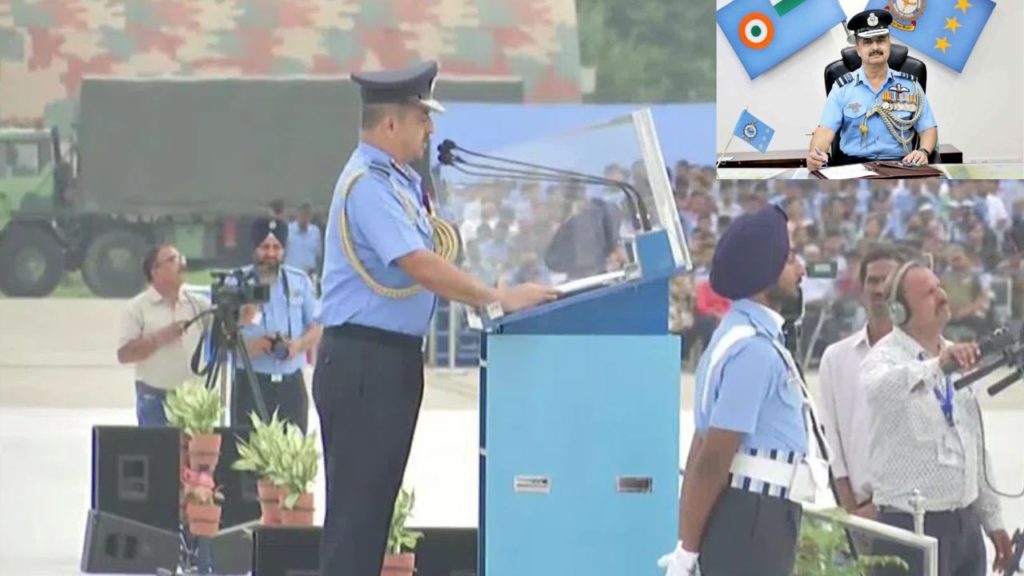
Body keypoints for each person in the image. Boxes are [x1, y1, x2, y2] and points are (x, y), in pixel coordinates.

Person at [313, 60, 557, 576]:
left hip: (389, 361)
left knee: (371, 516)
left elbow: (434, 252)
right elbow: (417, 262)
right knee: (355, 523)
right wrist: (494, 297)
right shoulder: (369, 185)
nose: (431, 129)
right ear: (391, 124)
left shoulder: (399, 181)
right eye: (423, 118)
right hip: (363, 362)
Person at [659, 205, 831, 576]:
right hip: (753, 518)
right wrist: (688, 549)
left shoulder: (738, 337)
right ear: (764, 272)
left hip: (756, 515)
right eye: (789, 261)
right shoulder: (752, 349)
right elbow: (713, 458)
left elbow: (702, 448)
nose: (801, 270)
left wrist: (686, 546)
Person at [861, 259, 1012, 576]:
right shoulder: (884, 357)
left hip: (965, 528)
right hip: (910, 528)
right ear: (901, 312)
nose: (941, 295)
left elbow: (974, 448)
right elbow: (878, 391)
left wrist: (994, 522)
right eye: (929, 293)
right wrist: (937, 367)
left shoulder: (957, 354)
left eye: (939, 287)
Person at [817, 244, 904, 519]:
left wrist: (879, 508)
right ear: (862, 289)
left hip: (907, 507)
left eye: (888, 281)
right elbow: (831, 439)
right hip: (854, 506)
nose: (879, 289)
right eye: (873, 281)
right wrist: (850, 511)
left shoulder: (923, 357)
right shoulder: (836, 358)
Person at [807, 9, 937, 171]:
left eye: (881, 40)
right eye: (867, 42)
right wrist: (815, 155)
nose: (875, 47)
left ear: (889, 43)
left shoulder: (911, 86)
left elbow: (927, 128)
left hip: (900, 165)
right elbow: (825, 131)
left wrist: (923, 151)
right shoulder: (842, 88)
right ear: (858, 49)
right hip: (852, 167)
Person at [235, 217, 321, 432]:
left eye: (277, 247)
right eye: (265, 247)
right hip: (251, 383)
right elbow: (221, 336)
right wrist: (253, 345)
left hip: (290, 384)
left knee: (292, 455)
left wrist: (298, 346)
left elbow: (318, 325)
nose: (271, 253)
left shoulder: (298, 281)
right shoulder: (236, 283)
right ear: (255, 249)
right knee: (247, 455)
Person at [117, 243, 210, 426]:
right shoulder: (137, 307)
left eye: (180, 258)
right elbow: (124, 355)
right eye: (172, 260)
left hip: (192, 396)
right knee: (157, 450)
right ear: (155, 271)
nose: (181, 264)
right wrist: (160, 338)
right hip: (154, 396)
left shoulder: (197, 303)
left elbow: (225, 330)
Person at [285, 201, 323, 280]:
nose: (304, 218)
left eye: (307, 215)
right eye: (303, 215)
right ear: (298, 214)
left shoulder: (315, 232)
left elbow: (318, 254)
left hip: (308, 275)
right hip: (291, 274)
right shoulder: (288, 230)